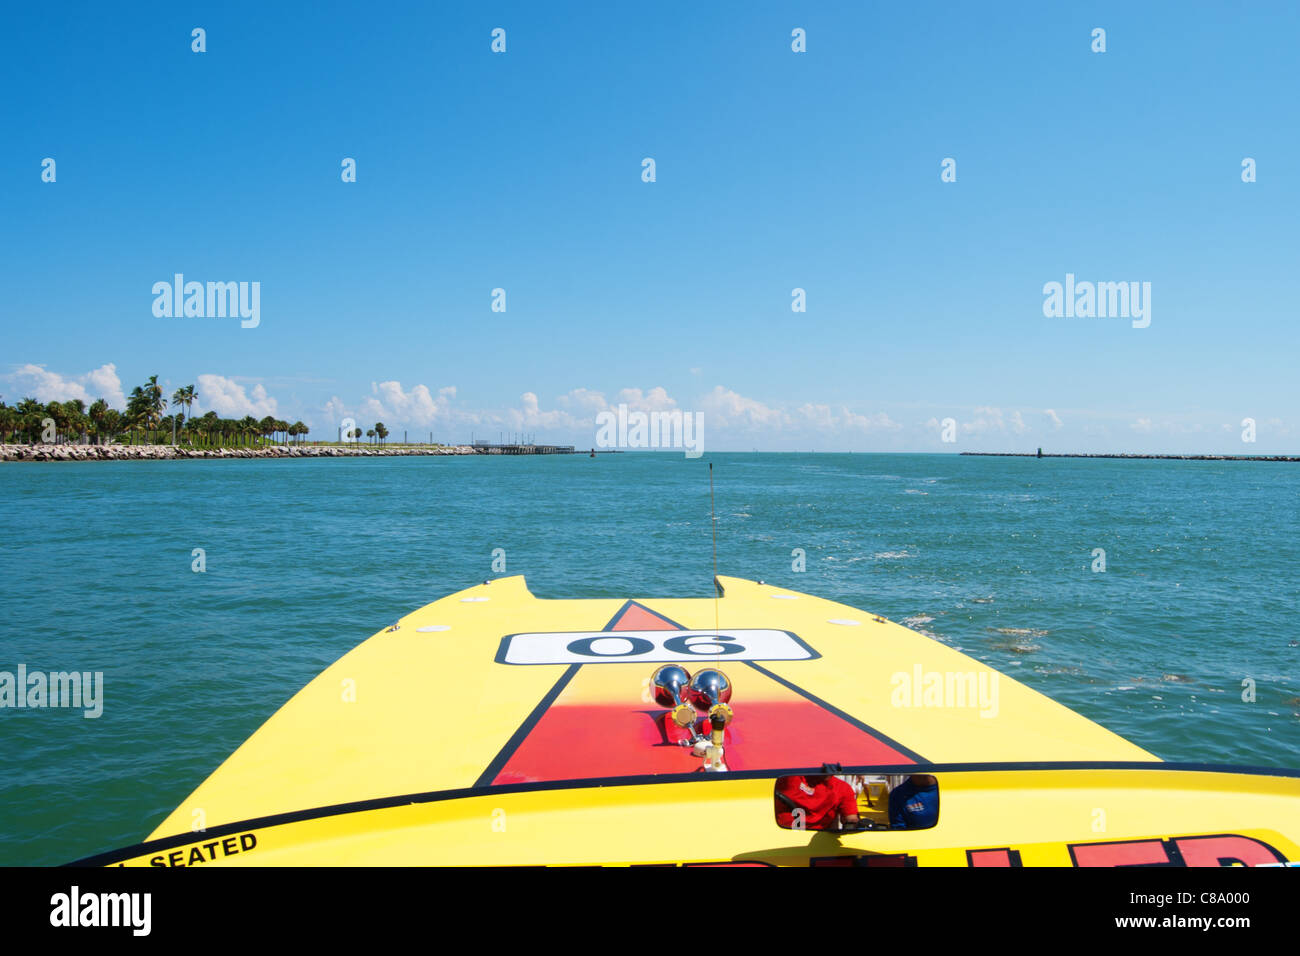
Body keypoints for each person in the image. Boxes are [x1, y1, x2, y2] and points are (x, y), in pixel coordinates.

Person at [775, 772, 860, 830]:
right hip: (781, 835)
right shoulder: (788, 779)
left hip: (819, 842)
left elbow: (851, 819)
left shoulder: (843, 788)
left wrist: (852, 824)